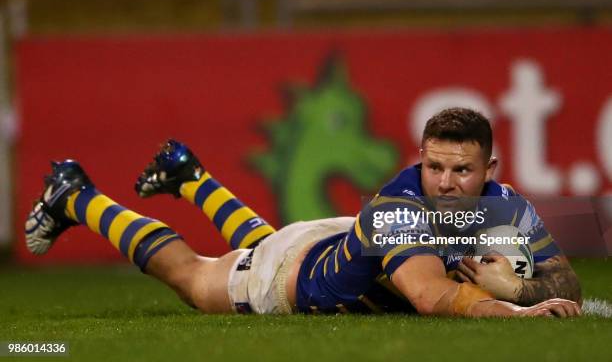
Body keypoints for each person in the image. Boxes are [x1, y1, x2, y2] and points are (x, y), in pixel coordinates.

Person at [25, 108, 581, 317]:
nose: (446, 182)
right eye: (436, 167)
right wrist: (514, 307)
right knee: (195, 277)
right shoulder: (400, 209)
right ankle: (75, 195)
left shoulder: (505, 204)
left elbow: (566, 283)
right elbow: (430, 296)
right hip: (287, 279)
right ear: (421, 158)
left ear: (490, 169)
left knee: (267, 240)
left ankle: (190, 177)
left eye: (462, 171)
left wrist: (520, 287)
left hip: (336, 241)